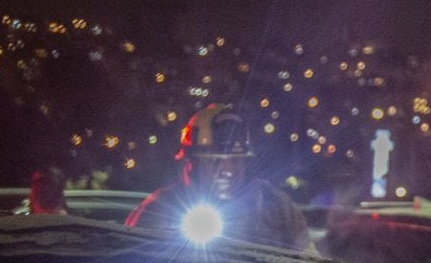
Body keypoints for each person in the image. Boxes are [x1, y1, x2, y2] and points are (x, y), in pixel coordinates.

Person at [127, 103, 309, 251]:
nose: (227, 169)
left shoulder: (279, 210)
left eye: (235, 160)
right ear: (192, 163)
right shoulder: (161, 208)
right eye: (214, 161)